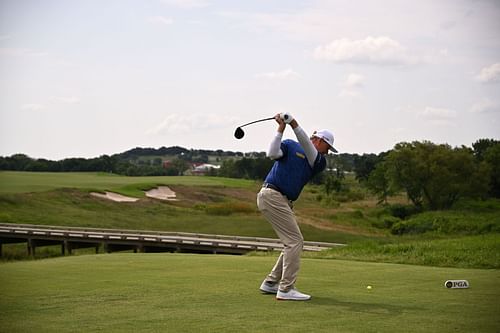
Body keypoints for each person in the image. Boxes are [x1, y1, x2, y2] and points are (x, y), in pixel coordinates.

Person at [257, 112, 337, 301]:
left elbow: (308, 148)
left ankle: (270, 283)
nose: (327, 152)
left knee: (291, 242)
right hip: (272, 195)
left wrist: (293, 123)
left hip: (279, 199)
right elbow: (272, 153)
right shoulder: (291, 145)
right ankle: (286, 289)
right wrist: (282, 128)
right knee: (295, 241)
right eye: (328, 146)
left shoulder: (318, 161)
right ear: (319, 140)